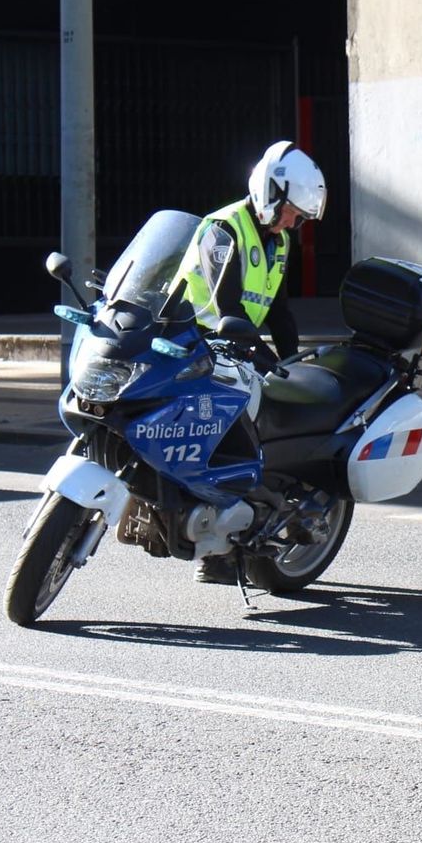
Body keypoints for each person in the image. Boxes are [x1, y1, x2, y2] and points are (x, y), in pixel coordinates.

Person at [173, 140, 327, 583]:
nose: (295, 223)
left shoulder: (278, 244)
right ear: (270, 194)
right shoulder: (224, 228)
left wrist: (291, 360)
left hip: (234, 350)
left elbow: (278, 309)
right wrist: (262, 356)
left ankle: (224, 544)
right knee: (225, 432)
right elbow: (226, 305)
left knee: (256, 431)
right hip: (193, 342)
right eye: (293, 212)